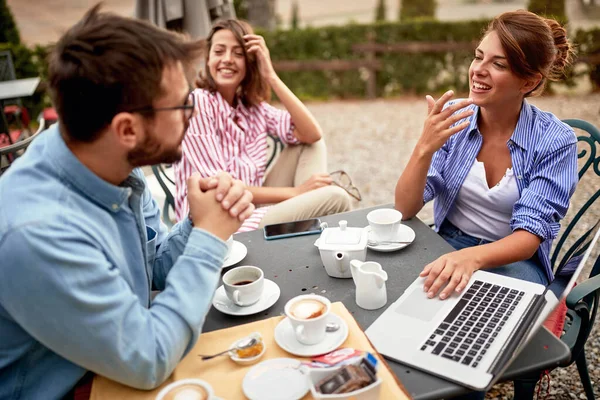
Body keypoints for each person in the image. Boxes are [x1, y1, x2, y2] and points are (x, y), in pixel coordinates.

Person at [0, 6, 255, 399]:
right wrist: (208, 238)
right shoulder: (37, 232)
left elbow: (152, 269)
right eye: (183, 104)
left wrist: (198, 223)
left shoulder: (107, 161)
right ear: (127, 129)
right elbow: (148, 358)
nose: (193, 113)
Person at [395, 10, 578, 399]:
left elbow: (528, 238)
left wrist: (473, 259)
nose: (478, 70)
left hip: (514, 259)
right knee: (398, 320)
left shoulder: (554, 141)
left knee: (468, 349)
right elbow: (405, 208)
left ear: (529, 81)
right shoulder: (455, 121)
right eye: (478, 56)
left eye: (498, 64)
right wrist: (423, 149)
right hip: (447, 241)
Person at [174, 19, 351, 232]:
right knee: (336, 198)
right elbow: (220, 191)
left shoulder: (253, 109)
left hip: (253, 206)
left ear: (250, 63)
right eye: (219, 51)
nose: (227, 60)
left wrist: (271, 76)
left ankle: (300, 233)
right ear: (209, 58)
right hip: (221, 221)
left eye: (238, 54)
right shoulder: (199, 103)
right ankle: (303, 233)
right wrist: (296, 193)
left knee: (312, 145)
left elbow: (312, 134)